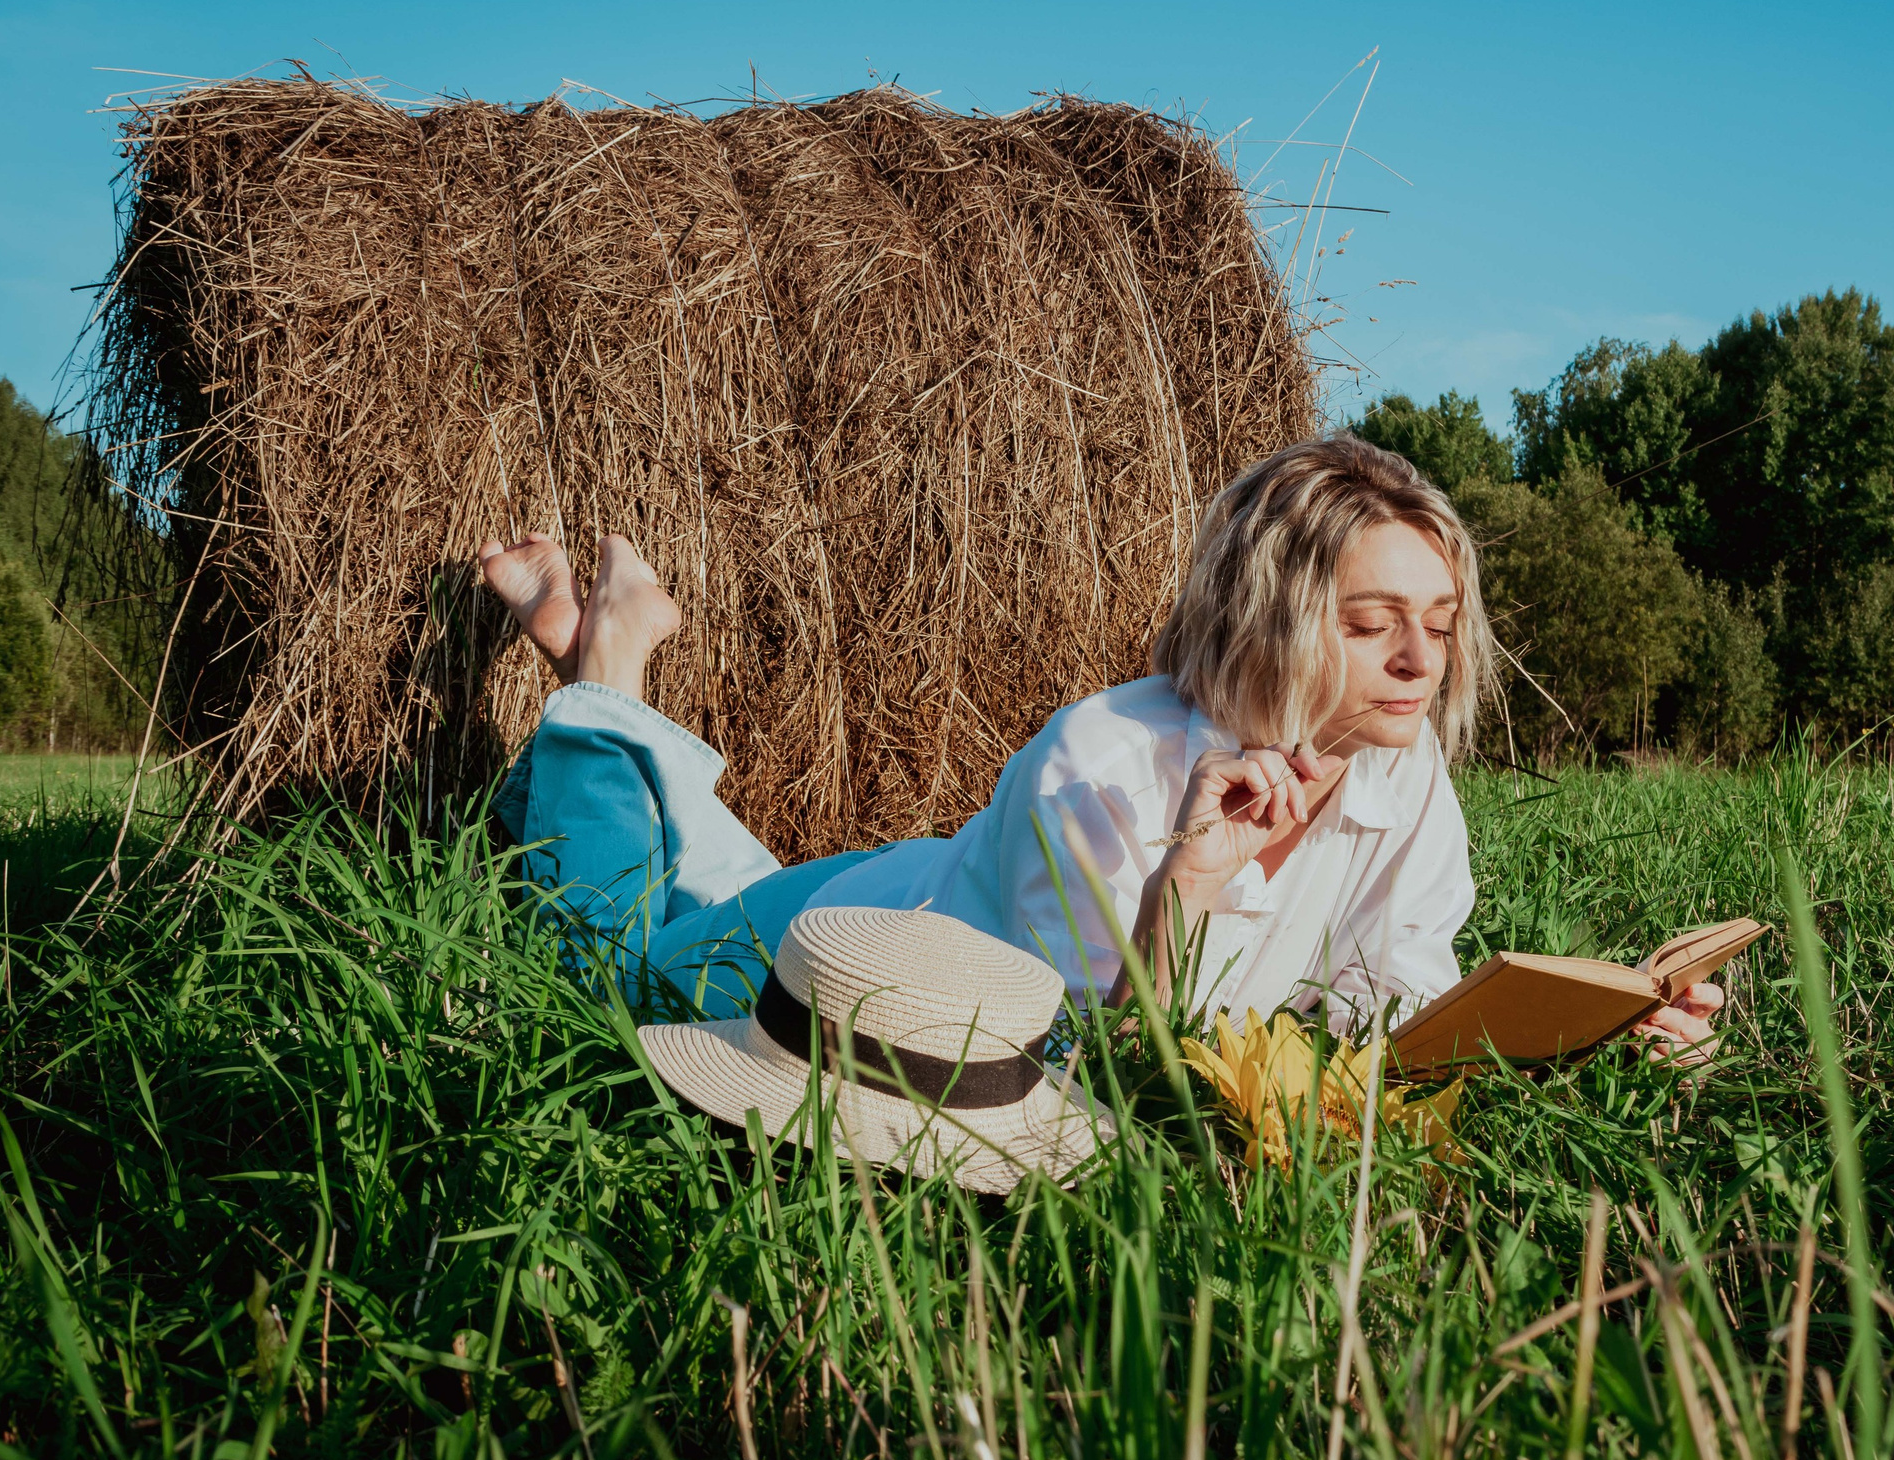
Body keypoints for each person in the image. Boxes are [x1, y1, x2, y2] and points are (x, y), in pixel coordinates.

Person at [481, 435, 1724, 1056]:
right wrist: (1184, 887)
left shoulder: (1407, 783)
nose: (1420, 661)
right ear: (1271, 616)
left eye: (1441, 625)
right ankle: (607, 665)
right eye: (1371, 624)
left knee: (696, 890)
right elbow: (1091, 1060)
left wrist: (1585, 1038)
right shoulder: (1104, 761)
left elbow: (1384, 1024)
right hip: (832, 951)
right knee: (603, 976)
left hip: (924, 882)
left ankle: (611, 689)